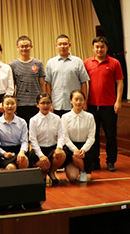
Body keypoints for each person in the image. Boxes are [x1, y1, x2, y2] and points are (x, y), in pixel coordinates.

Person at [84, 36, 124, 172]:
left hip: (109, 106)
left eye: (102, 47)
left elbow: (120, 82)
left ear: (106, 48)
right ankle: (95, 162)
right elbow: (84, 83)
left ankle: (111, 161)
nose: (99, 49)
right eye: (97, 47)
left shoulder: (114, 63)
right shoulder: (87, 63)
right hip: (92, 106)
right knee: (93, 136)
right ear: (93, 48)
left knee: (110, 136)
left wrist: (118, 101)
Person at [45, 34, 90, 116]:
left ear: (69, 45)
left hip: (75, 104)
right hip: (56, 104)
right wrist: (49, 103)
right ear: (56, 46)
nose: (62, 46)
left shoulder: (78, 61)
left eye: (65, 44)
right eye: (60, 44)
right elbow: (48, 84)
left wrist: (84, 102)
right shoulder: (51, 62)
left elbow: (84, 82)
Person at [28, 92, 66, 186]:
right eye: (43, 103)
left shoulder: (56, 118)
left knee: (62, 154)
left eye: (48, 103)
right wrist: (41, 155)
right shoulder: (33, 120)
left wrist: (59, 148)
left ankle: (52, 172)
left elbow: (61, 135)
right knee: (45, 164)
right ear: (37, 104)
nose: (46, 105)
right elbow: (33, 140)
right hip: (38, 149)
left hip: (52, 148)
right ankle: (43, 172)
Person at [62, 89, 97, 183]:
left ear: (84, 101)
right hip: (71, 147)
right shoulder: (65, 117)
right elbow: (65, 137)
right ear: (71, 100)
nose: (78, 102)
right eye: (76, 99)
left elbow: (91, 137)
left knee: (77, 157)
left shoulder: (90, 117)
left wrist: (84, 149)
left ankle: (83, 171)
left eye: (81, 100)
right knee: (72, 177)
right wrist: (74, 149)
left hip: (85, 148)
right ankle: (73, 165)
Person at [9, 36, 46, 123]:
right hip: (20, 103)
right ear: (17, 48)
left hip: (36, 103)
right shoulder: (13, 65)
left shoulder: (38, 63)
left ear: (31, 47)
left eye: (26, 46)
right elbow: (12, 86)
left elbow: (42, 83)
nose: (24, 49)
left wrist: (44, 100)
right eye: (21, 46)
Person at [0, 95, 29, 170]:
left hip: (19, 149)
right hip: (4, 151)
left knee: (23, 161)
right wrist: (4, 153)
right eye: (7, 104)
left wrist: (22, 152)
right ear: (2, 106)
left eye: (12, 103)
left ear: (16, 105)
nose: (10, 106)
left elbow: (24, 141)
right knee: (11, 167)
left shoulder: (22, 122)